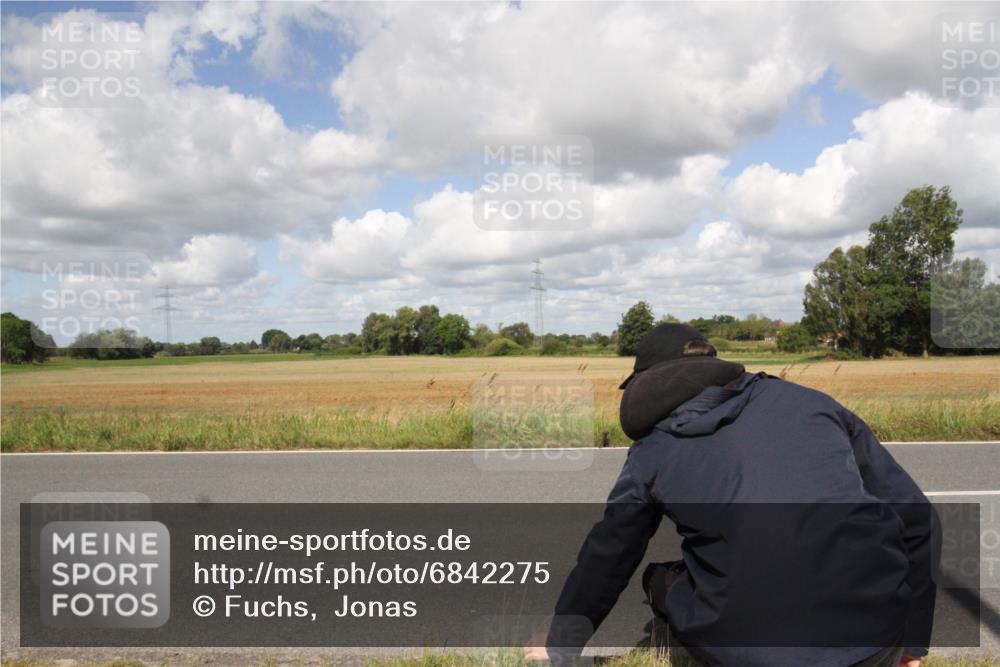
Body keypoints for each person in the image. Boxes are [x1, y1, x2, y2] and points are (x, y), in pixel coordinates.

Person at [527, 323, 936, 667]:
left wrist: (559, 645)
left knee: (660, 579)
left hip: (753, 655)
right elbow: (918, 518)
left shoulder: (653, 450)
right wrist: (913, 644)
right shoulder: (814, 405)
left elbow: (610, 554)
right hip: (873, 644)